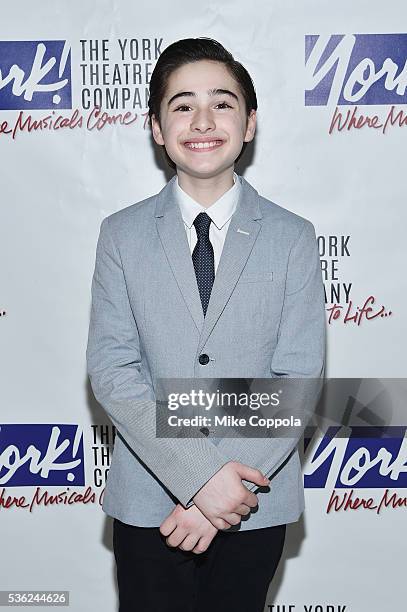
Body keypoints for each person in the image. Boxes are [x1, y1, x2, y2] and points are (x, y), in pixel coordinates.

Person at [86, 37, 326, 612]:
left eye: (222, 103)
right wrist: (198, 477)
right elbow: (114, 371)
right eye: (182, 104)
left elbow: (296, 375)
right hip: (149, 501)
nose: (202, 120)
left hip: (254, 500)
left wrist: (224, 488)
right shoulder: (121, 235)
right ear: (156, 127)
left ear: (249, 125)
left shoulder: (292, 236)